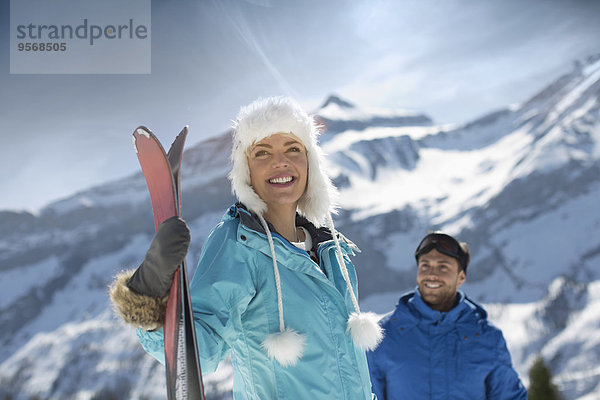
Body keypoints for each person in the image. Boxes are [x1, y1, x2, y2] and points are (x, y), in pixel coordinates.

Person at [109, 96, 382, 399]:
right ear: (246, 172)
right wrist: (147, 296)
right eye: (262, 153)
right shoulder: (239, 244)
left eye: (293, 149)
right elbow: (202, 348)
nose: (280, 161)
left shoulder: (333, 252)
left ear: (310, 163)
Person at [366, 232, 527, 400]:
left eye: (443, 266)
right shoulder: (383, 335)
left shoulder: (487, 338)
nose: (432, 274)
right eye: (425, 265)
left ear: (461, 277)